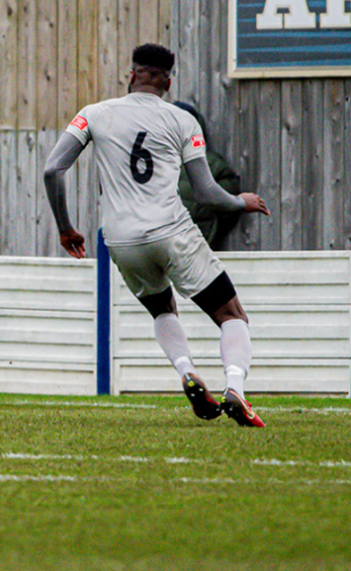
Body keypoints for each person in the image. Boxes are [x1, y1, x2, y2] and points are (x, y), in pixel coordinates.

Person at [42, 43, 270, 427]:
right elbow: (205, 193)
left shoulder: (93, 114)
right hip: (171, 230)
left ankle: (186, 372)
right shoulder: (182, 121)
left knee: (162, 309)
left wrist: (66, 228)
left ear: (131, 76)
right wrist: (239, 201)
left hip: (121, 239)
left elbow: (52, 170)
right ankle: (236, 389)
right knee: (232, 314)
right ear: (167, 81)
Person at [173, 102, 242, 250]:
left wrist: (212, 230)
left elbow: (228, 209)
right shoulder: (155, 163)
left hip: (197, 253)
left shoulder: (213, 165)